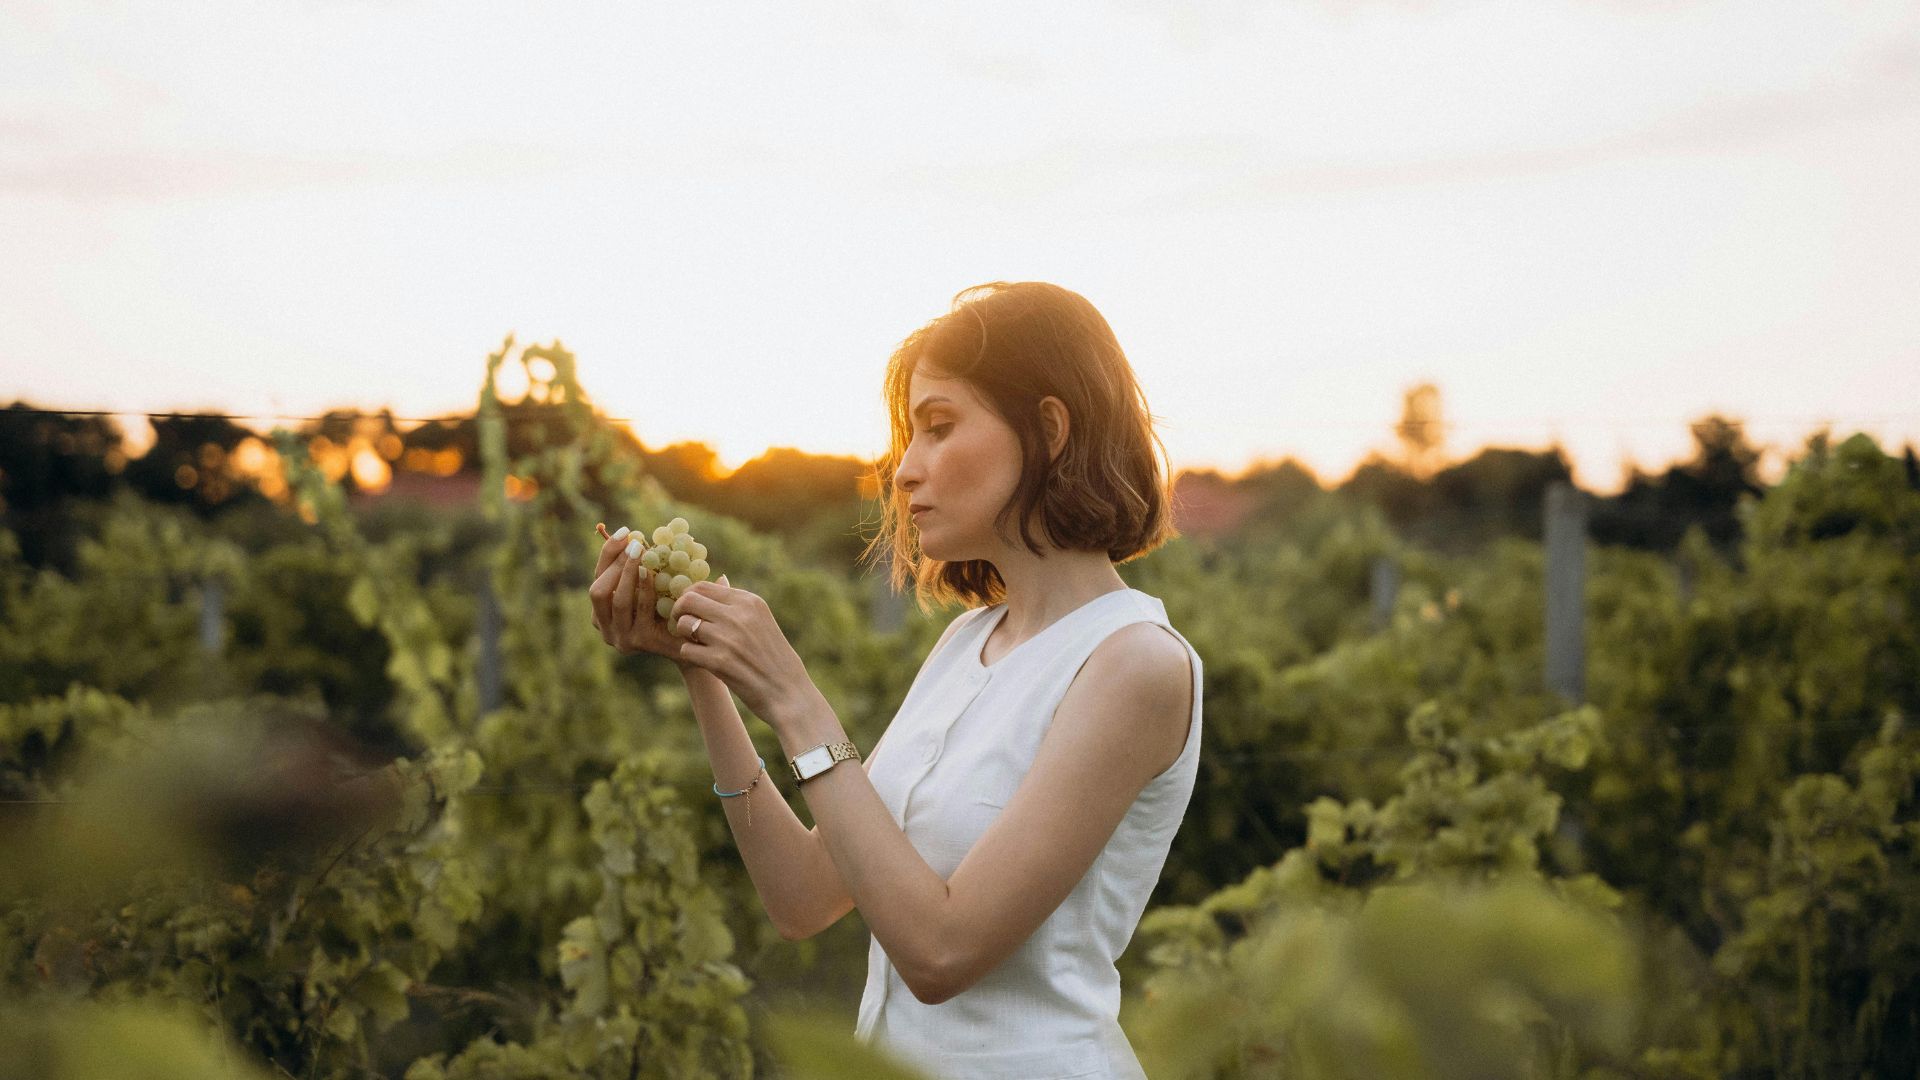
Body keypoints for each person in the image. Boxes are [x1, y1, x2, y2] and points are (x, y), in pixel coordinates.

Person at [586, 280, 1203, 1080]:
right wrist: (703, 668)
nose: (904, 470)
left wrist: (795, 698)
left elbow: (942, 953)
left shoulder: (1135, 665)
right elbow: (804, 897)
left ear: (1049, 430)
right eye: (909, 436)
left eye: (939, 428)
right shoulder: (967, 643)